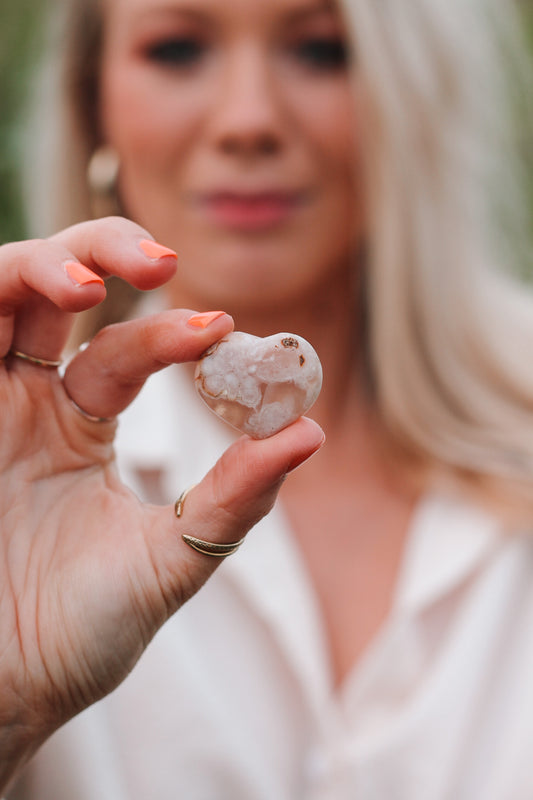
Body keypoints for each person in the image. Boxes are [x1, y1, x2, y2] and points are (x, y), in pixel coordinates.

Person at [2, 0, 533, 797]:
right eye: (178, 48)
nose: (248, 121)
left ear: (413, 91)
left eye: (320, 50)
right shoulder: (21, 482)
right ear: (94, 100)